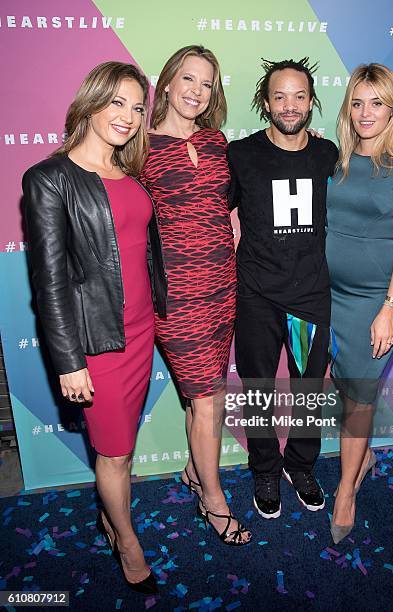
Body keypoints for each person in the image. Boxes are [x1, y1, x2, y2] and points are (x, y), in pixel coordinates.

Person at [22, 62, 167, 593]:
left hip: (140, 332)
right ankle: (127, 542)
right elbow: (50, 281)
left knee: (123, 448)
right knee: (114, 450)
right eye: (117, 103)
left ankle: (112, 518)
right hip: (96, 344)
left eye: (136, 107)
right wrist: (69, 361)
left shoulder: (130, 175)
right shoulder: (49, 179)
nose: (127, 117)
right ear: (91, 103)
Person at [139, 45, 251, 545]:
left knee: (208, 396)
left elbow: (232, 206)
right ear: (166, 82)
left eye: (207, 84)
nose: (197, 92)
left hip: (223, 285)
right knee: (206, 399)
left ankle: (192, 471)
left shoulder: (216, 141)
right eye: (188, 79)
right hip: (177, 293)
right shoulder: (138, 144)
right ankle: (214, 500)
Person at [227, 59, 338, 520]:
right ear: (265, 102)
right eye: (279, 96)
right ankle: (265, 470)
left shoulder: (327, 154)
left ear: (311, 101)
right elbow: (206, 211)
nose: (289, 105)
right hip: (256, 294)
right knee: (258, 391)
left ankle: (300, 465)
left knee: (310, 390)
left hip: (310, 297)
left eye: (299, 96)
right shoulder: (241, 154)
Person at [326, 63, 393, 544]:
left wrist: (389, 307)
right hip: (326, 296)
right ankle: (362, 455)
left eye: (377, 103)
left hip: (374, 302)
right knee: (342, 385)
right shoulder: (337, 160)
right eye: (357, 102)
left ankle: (347, 489)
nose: (365, 113)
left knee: (360, 397)